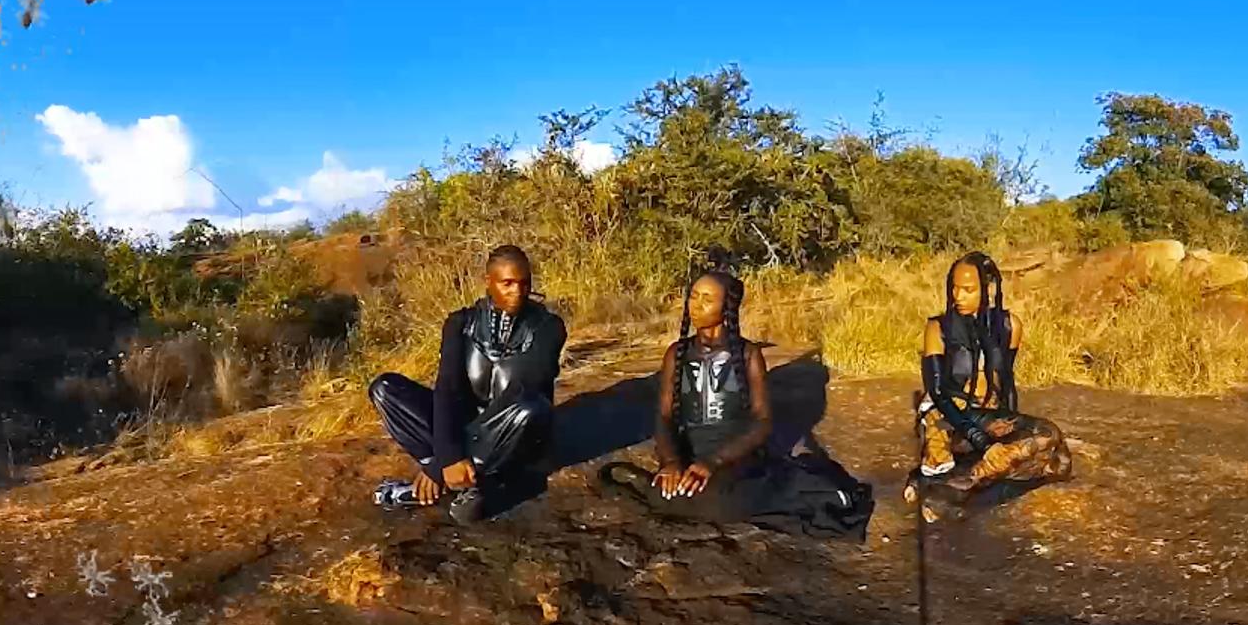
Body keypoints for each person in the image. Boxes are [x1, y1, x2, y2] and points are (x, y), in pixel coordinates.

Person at [609, 265, 872, 537]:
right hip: (691, 452)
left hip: (734, 457)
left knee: (719, 502)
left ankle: (800, 487)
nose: (695, 306)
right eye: (694, 296)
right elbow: (664, 416)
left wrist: (713, 462)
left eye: (707, 299)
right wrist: (671, 462)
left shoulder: (748, 354)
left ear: (727, 308)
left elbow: (761, 422)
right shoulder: (676, 353)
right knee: (666, 494)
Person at [369, 246, 565, 522]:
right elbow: (448, 390)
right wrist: (448, 457)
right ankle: (465, 481)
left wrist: (441, 464)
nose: (517, 292)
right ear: (488, 281)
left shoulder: (549, 327)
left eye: (524, 283)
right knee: (385, 389)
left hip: (514, 434)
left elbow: (524, 390)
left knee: (530, 407)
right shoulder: (460, 323)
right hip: (468, 428)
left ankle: (453, 480)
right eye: (507, 283)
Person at [912, 252, 1072, 497]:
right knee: (1033, 459)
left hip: (988, 413)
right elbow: (938, 392)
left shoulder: (1010, 326)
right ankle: (962, 479)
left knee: (1056, 451)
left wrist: (1011, 430)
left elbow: (1006, 381)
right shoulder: (938, 328)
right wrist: (983, 442)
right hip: (952, 414)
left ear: (988, 289)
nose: (957, 296)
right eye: (954, 288)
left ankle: (970, 477)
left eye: (968, 290)